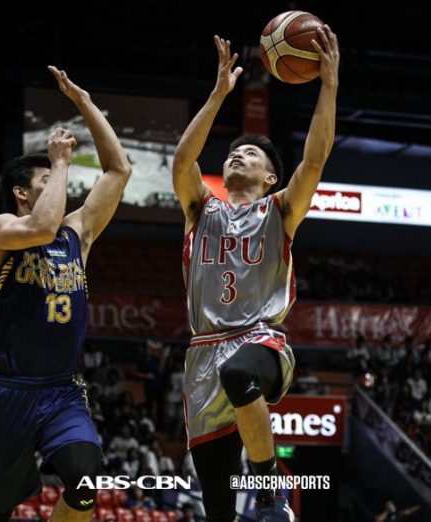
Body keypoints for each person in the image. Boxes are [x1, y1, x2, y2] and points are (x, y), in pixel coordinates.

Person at [172, 26, 339, 522]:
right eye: (233, 153)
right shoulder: (201, 209)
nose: (236, 154)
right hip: (201, 355)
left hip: (261, 340)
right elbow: (183, 159)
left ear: (270, 177)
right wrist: (219, 93)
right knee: (218, 508)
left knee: (239, 372)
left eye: (251, 153)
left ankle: (270, 490)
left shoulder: (280, 209)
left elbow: (314, 159)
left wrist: (328, 86)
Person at [0, 65, 132, 522]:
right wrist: (59, 162)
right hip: (8, 390)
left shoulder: (77, 234)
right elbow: (41, 225)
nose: (63, 191)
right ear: (21, 192)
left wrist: (85, 104)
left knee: (84, 479)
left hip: (62, 389)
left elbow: (119, 170)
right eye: (49, 184)